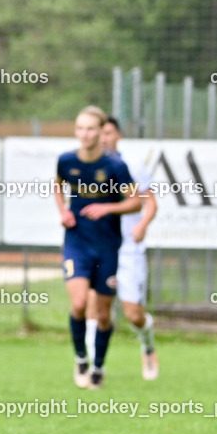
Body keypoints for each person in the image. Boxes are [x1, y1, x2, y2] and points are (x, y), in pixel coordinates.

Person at [53, 106, 141, 389]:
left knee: (102, 314)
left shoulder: (115, 166)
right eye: (80, 128)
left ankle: (98, 367)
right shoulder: (66, 160)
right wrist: (63, 211)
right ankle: (81, 358)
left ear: (101, 132)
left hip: (106, 247)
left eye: (90, 128)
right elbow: (58, 186)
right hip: (77, 243)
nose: (84, 134)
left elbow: (135, 201)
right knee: (78, 304)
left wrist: (108, 208)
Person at [85, 117, 159, 380]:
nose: (103, 138)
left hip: (128, 248)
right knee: (94, 305)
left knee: (133, 315)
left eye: (108, 132)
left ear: (118, 135)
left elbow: (149, 203)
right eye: (99, 132)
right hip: (100, 246)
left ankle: (147, 342)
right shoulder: (88, 165)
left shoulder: (133, 165)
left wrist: (143, 224)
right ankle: (93, 367)